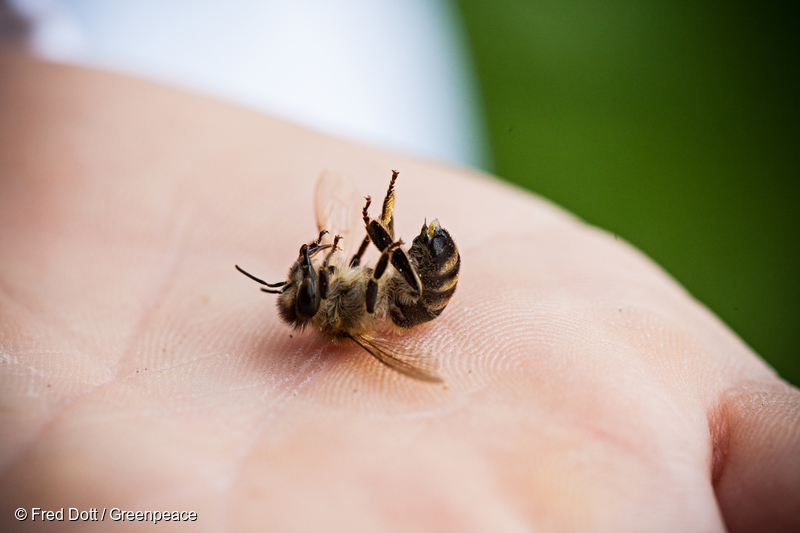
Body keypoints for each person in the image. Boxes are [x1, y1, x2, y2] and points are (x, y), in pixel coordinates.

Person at [0, 50, 797, 532]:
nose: (310, 273)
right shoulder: (352, 320)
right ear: (323, 313)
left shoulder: (335, 278)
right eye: (307, 284)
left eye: (307, 276)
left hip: (306, 82)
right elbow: (371, 281)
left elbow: (340, 238)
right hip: (415, 286)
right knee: (392, 281)